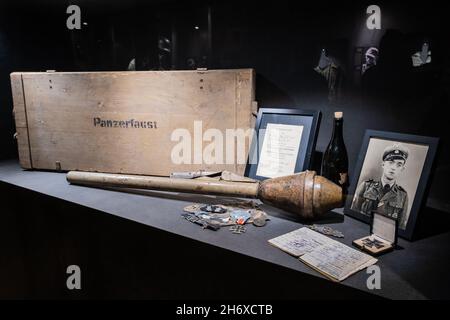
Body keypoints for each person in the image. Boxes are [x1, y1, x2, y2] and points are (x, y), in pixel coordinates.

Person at [351, 144, 409, 229]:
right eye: (391, 162)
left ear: (402, 169)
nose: (393, 167)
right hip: (359, 228)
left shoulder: (403, 196)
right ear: (383, 164)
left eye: (399, 164)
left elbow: (400, 227)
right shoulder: (365, 186)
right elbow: (353, 214)